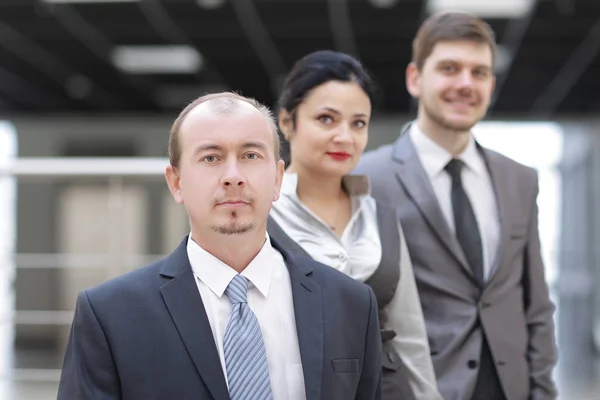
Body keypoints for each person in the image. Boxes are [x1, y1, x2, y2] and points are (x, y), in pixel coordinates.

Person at [57, 92, 383, 400]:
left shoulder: (350, 304)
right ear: (176, 182)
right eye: (211, 157)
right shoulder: (110, 315)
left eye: (251, 155)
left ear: (278, 178)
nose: (233, 176)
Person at [354, 11, 559, 400]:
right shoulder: (367, 178)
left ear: (491, 84)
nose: (465, 84)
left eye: (479, 73)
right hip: (420, 388)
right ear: (415, 78)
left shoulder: (520, 179)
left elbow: (536, 305)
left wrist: (542, 391)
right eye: (450, 68)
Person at [268, 50, 441, 400]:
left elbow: (408, 333)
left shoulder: (381, 217)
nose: (345, 136)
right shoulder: (262, 217)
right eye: (327, 119)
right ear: (287, 122)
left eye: (358, 123)